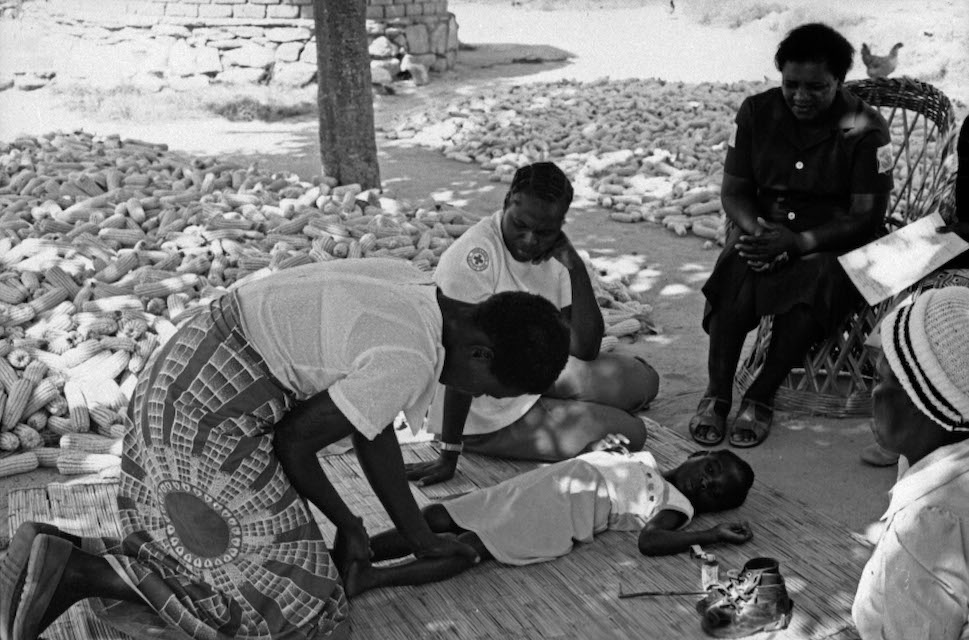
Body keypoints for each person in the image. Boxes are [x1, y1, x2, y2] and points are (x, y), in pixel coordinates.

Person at [0, 258, 571, 640]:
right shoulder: (415, 355)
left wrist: (416, 536)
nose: (474, 397)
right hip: (203, 421)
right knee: (299, 614)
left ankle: (53, 547)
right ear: (481, 356)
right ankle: (86, 574)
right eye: (490, 391)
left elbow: (372, 431)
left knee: (241, 555)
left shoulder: (417, 285)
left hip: (182, 371)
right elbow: (296, 442)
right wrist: (347, 523)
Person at [690, 22, 892, 448]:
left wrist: (799, 242)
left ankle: (761, 396)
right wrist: (758, 232)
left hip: (830, 243)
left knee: (814, 282)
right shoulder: (754, 113)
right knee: (736, 267)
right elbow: (734, 191)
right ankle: (717, 394)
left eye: (816, 87)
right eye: (791, 84)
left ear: (839, 81)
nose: (801, 96)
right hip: (763, 229)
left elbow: (867, 217)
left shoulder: (865, 128)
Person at [407, 162, 660, 486]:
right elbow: (461, 364)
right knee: (633, 433)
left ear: (560, 224)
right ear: (507, 201)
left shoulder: (555, 253)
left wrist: (575, 266)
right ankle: (518, 428)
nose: (529, 241)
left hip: (533, 371)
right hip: (485, 404)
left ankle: (564, 410)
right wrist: (449, 452)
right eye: (520, 224)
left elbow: (584, 347)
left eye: (544, 232)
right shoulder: (472, 258)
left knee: (644, 382)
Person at [341, 441, 754, 595]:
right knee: (442, 514)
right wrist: (602, 448)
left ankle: (373, 578)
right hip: (539, 484)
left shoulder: (677, 505)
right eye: (714, 470)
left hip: (561, 513)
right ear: (701, 455)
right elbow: (599, 461)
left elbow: (650, 541)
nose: (708, 483)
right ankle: (362, 552)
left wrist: (712, 534)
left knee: (471, 547)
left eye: (719, 493)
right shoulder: (643, 459)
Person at [852, 286, 969, 639]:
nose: (872, 393)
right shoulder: (939, 459)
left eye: (884, 380)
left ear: (931, 405)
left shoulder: (924, 523)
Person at [860, 113, 968, 467]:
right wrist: (941, 239)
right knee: (900, 307)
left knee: (939, 318)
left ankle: (924, 426)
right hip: (958, 253)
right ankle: (902, 422)